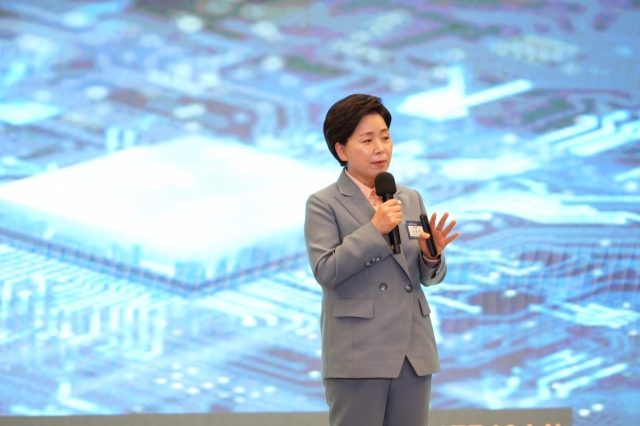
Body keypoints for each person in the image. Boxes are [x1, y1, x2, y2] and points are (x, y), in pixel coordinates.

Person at [304, 94, 459, 426]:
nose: (380, 147)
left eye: (386, 137)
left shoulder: (409, 197)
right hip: (359, 352)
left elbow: (424, 277)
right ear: (341, 150)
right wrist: (375, 230)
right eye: (368, 139)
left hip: (412, 351)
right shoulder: (323, 204)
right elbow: (326, 271)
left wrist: (432, 257)